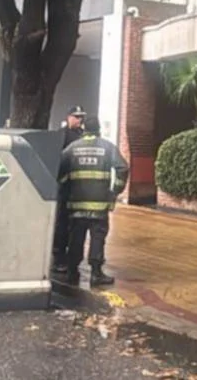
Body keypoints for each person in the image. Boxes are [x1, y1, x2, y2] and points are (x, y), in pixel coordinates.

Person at [57, 116, 128, 287]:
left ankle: (72, 272)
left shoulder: (72, 148)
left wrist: (66, 189)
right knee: (97, 238)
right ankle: (96, 274)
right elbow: (123, 168)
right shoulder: (107, 147)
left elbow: (61, 172)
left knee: (76, 238)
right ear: (98, 129)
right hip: (99, 205)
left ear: (83, 128)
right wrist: (114, 191)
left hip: (76, 205)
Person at [52, 106, 88, 274]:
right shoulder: (62, 134)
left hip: (79, 187)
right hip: (65, 186)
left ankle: (71, 257)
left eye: (81, 117)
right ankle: (58, 256)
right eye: (76, 117)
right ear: (68, 117)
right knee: (62, 222)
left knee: (76, 224)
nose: (79, 120)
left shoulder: (83, 135)